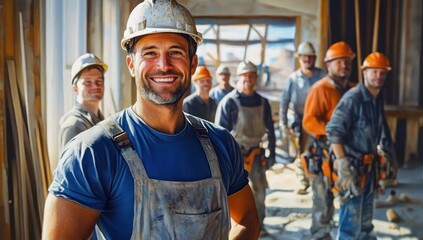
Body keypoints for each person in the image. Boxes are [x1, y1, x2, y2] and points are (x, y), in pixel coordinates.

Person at [42, 1, 260, 239]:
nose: (164, 65)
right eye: (150, 53)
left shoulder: (221, 144)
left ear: (193, 63)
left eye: (175, 52)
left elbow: (248, 219)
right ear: (131, 64)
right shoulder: (92, 153)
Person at [326, 52, 396, 239]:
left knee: (365, 220)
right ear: (364, 73)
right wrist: (342, 165)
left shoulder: (377, 99)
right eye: (374, 72)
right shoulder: (353, 99)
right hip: (352, 167)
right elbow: (333, 132)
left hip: (368, 168)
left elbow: (380, 131)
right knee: (351, 221)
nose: (378, 77)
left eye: (382, 73)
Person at [215, 61, 276, 236]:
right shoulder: (230, 102)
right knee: (232, 194)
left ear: (256, 77)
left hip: (256, 153)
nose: (248, 79)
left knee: (260, 191)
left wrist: (271, 153)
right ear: (239, 78)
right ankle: (232, 230)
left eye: (251, 75)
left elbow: (270, 130)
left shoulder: (263, 102)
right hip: (236, 154)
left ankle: (259, 227)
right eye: (245, 76)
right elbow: (220, 134)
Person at [302, 41, 356, 240]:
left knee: (348, 198)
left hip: (346, 153)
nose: (344, 65)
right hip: (323, 153)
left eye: (347, 61)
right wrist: (334, 132)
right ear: (328, 64)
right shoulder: (320, 89)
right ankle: (320, 236)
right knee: (323, 201)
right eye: (339, 61)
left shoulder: (352, 90)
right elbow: (309, 121)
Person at [279, 41, 326, 195]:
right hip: (298, 121)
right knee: (300, 152)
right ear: (299, 58)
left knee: (318, 151)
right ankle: (302, 180)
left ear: (315, 58)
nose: (307, 60)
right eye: (304, 57)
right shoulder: (293, 79)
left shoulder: (322, 76)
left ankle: (316, 180)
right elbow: (284, 102)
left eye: (310, 57)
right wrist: (283, 123)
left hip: (318, 120)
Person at [58, 53, 108, 152]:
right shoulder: (74, 125)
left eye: (99, 81)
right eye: (87, 82)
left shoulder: (99, 120)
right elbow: (71, 167)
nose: (95, 86)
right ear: (75, 88)